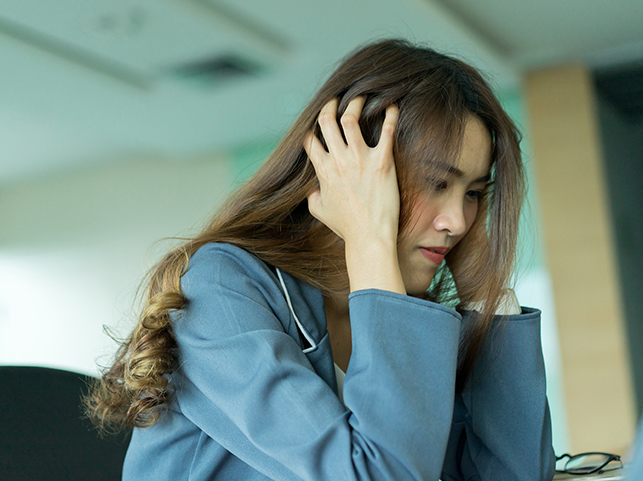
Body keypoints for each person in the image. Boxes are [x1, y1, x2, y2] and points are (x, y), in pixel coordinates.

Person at [86, 39, 555, 480]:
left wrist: (480, 291)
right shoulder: (222, 286)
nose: (458, 220)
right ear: (351, 172)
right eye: (437, 183)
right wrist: (369, 240)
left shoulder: (413, 321)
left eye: (473, 193)